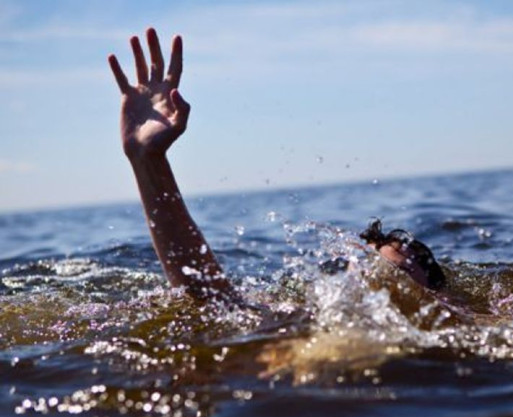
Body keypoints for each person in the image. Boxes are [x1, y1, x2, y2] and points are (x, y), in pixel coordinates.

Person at [108, 28, 445, 305]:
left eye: (397, 273)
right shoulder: (301, 318)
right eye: (369, 268)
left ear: (435, 295)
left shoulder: (450, 326)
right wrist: (147, 161)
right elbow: (210, 299)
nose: (376, 278)